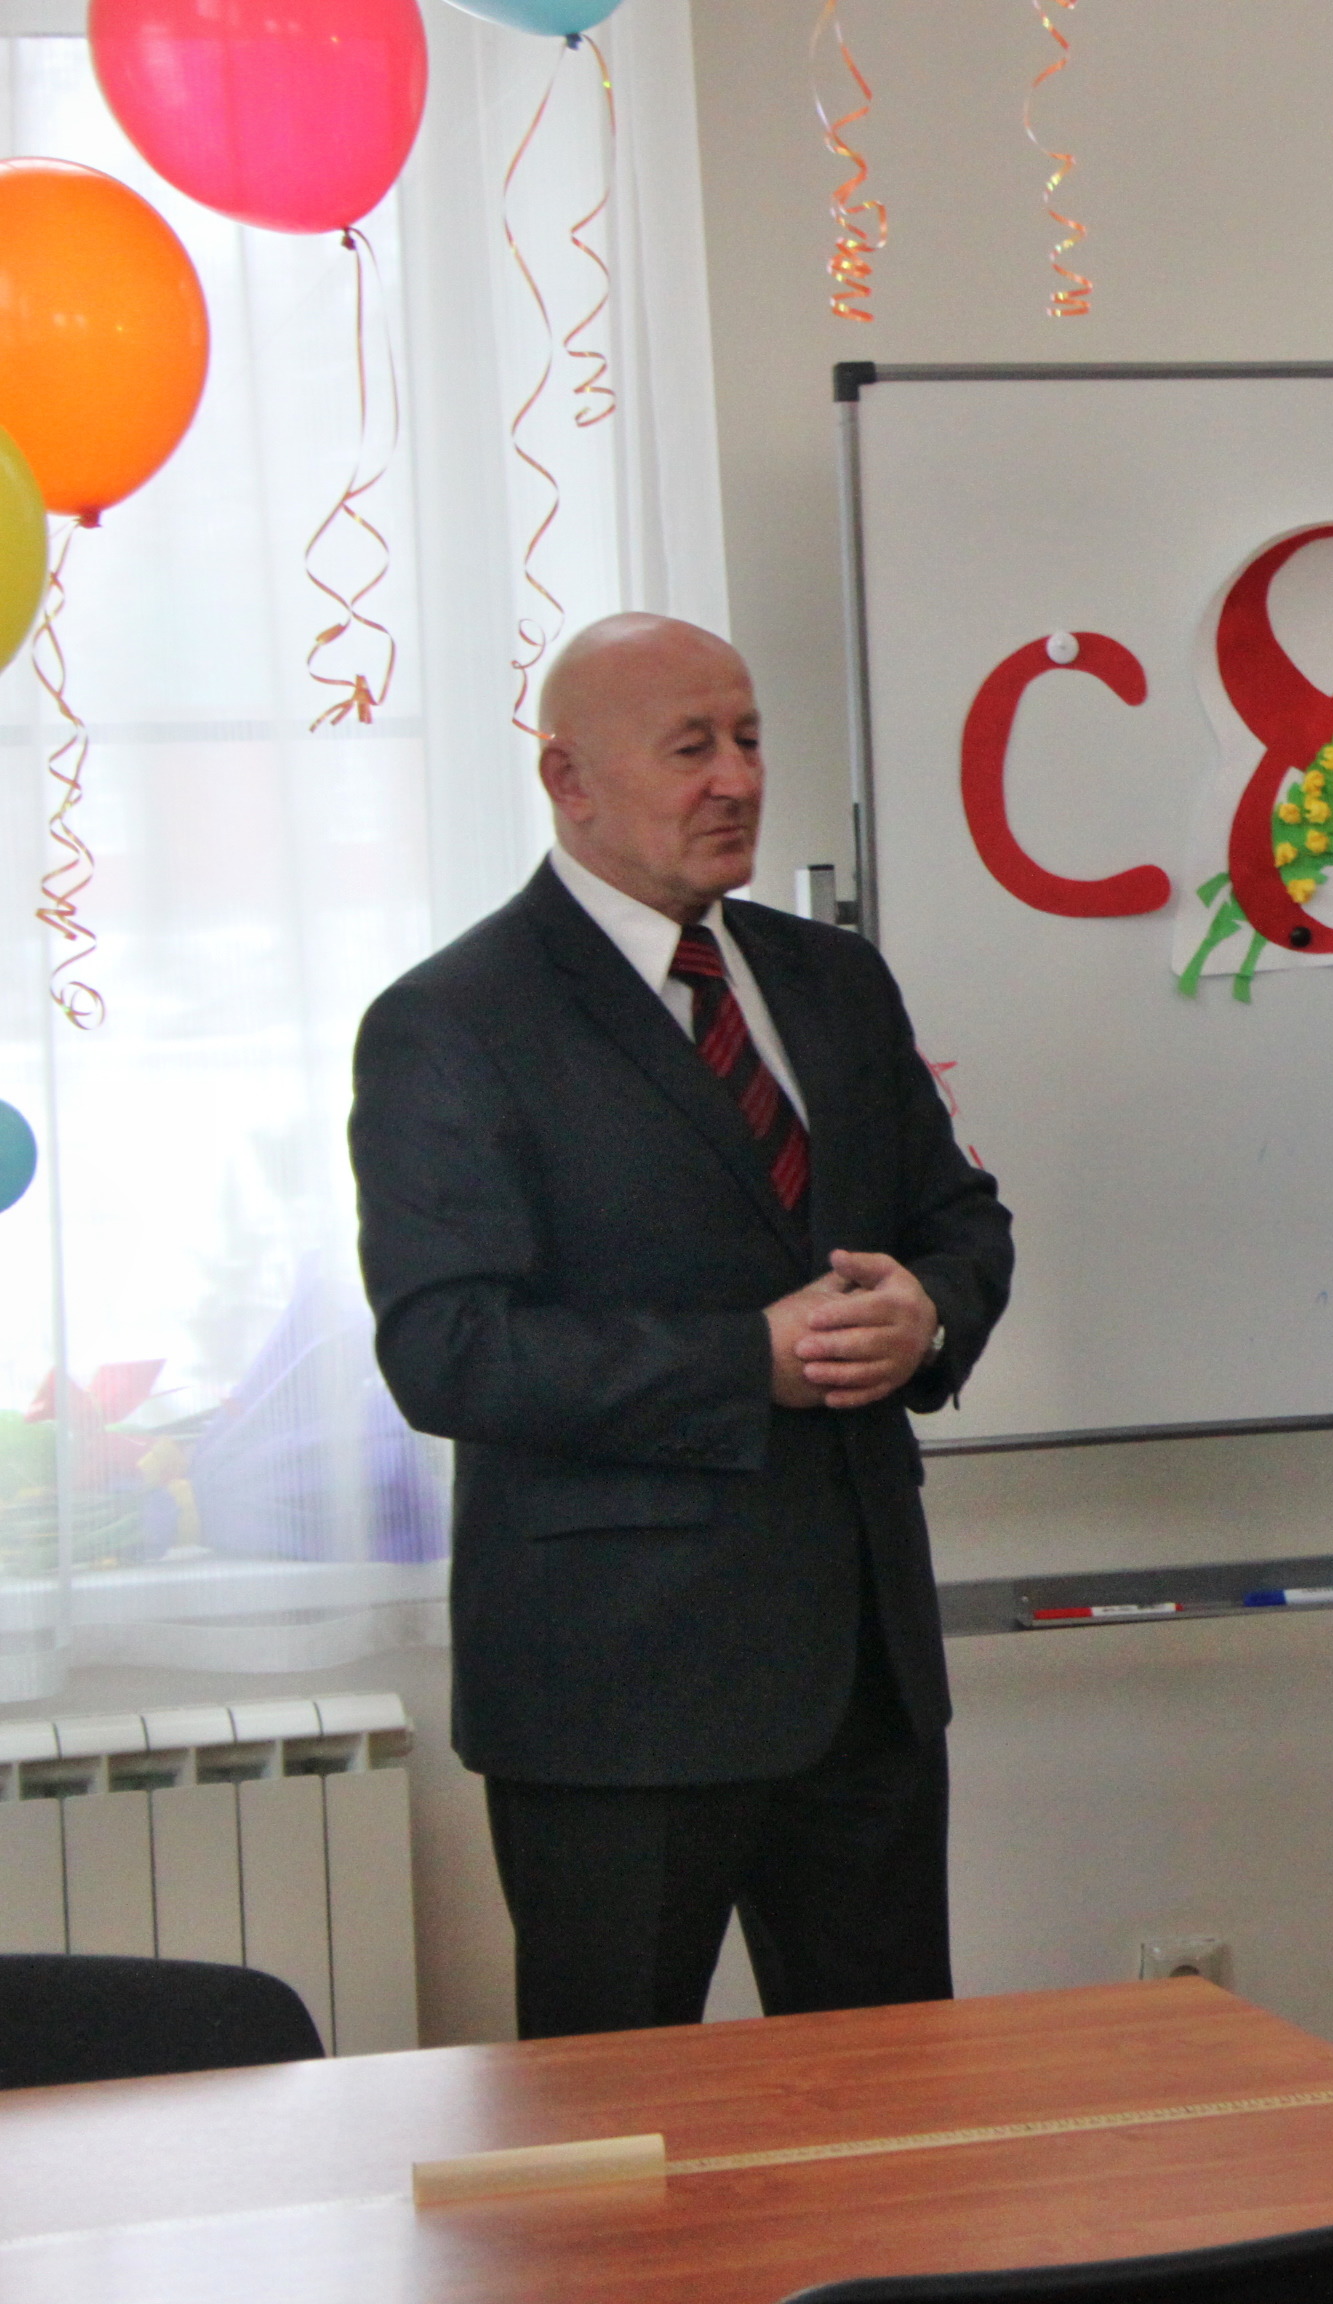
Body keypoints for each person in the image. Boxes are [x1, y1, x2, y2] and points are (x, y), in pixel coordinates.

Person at [352, 613, 1015, 2040]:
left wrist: (927, 1315)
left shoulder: (834, 979)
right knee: (612, 2124)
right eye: (692, 747)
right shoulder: (453, 1020)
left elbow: (962, 1221)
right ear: (569, 780)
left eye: (751, 739)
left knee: (891, 2109)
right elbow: (447, 1348)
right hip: (614, 1700)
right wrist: (745, 1362)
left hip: (865, 1680)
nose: (738, 779)